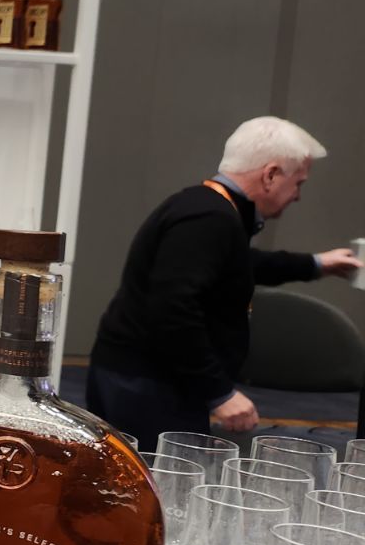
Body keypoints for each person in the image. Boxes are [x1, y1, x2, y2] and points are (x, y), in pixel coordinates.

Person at [87, 116, 362, 452]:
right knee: (160, 492)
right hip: (149, 386)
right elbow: (173, 309)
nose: (298, 196)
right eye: (298, 183)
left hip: (144, 378)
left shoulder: (209, 208)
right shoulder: (209, 218)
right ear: (271, 174)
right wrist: (219, 392)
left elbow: (238, 266)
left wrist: (318, 264)